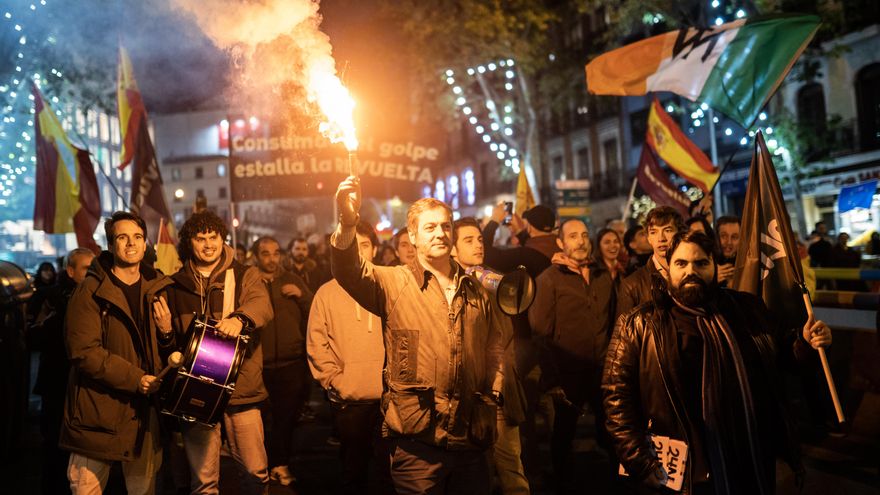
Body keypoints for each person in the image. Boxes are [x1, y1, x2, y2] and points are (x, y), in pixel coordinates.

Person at [602, 231, 832, 494]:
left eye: (701, 263)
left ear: (714, 265)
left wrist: (805, 343)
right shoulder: (638, 325)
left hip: (749, 458)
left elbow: (783, 358)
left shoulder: (747, 310)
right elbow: (616, 398)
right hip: (685, 472)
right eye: (681, 263)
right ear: (667, 269)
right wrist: (639, 461)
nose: (691, 271)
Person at [331, 176, 505, 494]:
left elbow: (494, 343)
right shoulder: (394, 282)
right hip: (417, 440)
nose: (440, 233)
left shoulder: (475, 287)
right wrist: (347, 221)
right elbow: (348, 270)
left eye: (445, 226)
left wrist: (495, 389)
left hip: (471, 437)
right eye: (429, 227)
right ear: (412, 235)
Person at [59, 212, 173, 494]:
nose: (131, 244)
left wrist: (167, 332)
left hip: (144, 414)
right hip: (96, 413)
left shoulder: (157, 287)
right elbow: (83, 351)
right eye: (122, 237)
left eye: (137, 237)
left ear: (145, 243)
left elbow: (167, 351)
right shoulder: (90, 290)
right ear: (111, 246)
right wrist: (135, 378)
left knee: (143, 489)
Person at [162, 210, 274, 495]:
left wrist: (240, 318)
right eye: (200, 239)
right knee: (203, 482)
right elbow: (169, 339)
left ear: (223, 238)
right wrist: (165, 336)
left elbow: (262, 305)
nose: (208, 244)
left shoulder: (245, 274)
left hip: (242, 389)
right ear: (190, 242)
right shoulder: (174, 285)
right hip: (196, 392)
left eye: (213, 237)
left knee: (255, 472)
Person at [528, 219, 616, 493]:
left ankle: (615, 482)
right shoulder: (548, 280)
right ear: (560, 242)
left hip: (602, 370)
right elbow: (540, 333)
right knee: (564, 434)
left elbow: (612, 322)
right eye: (573, 236)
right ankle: (563, 483)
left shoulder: (602, 276)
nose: (580, 241)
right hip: (567, 373)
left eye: (584, 235)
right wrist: (552, 378)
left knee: (611, 430)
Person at [307, 220, 393, 495]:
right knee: (353, 471)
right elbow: (316, 343)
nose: (358, 252)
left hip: (391, 399)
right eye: (353, 246)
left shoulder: (392, 287)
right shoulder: (326, 293)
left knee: (389, 473)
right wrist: (335, 381)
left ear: (375, 250)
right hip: (350, 401)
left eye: (364, 245)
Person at [452, 217, 529, 495]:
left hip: (501, 391)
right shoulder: (447, 286)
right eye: (468, 240)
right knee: (473, 475)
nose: (478, 245)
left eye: (480, 239)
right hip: (467, 394)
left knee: (512, 470)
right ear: (452, 249)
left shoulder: (494, 279)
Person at [251, 236, 314, 486]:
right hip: (259, 364)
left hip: (290, 363)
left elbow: (315, 311)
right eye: (265, 253)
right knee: (259, 421)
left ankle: (280, 463)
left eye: (275, 253)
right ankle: (261, 464)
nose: (271, 258)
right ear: (256, 256)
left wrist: (301, 296)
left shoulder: (292, 280)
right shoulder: (250, 282)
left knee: (286, 418)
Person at [32, 248, 94, 495]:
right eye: (86, 268)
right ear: (70, 271)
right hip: (57, 384)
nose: (91, 273)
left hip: (84, 386)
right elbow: (35, 336)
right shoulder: (53, 298)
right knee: (55, 450)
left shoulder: (97, 297)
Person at [616, 206, 685, 318]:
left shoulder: (692, 274)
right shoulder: (631, 285)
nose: (661, 238)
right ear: (648, 238)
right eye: (654, 232)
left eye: (667, 230)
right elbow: (623, 332)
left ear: (680, 234)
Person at [715, 216, 740, 287]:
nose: (729, 242)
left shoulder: (749, 263)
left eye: (734, 237)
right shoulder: (708, 263)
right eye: (723, 236)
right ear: (716, 237)